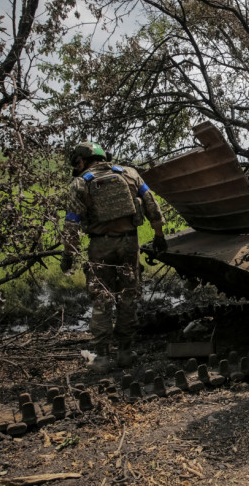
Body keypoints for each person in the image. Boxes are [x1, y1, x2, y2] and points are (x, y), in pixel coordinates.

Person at [60, 142, 167, 373]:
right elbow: (152, 204)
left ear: (81, 161)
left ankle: (102, 358)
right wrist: (158, 235)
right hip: (130, 243)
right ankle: (126, 352)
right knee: (128, 295)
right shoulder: (129, 173)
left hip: (100, 246)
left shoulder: (80, 183)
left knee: (102, 298)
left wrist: (69, 253)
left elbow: (71, 223)